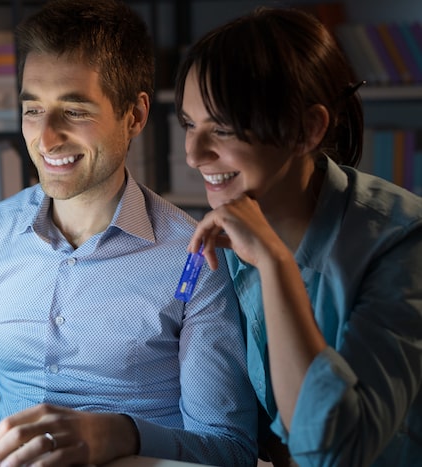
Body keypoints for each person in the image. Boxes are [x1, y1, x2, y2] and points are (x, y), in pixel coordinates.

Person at [0, 1, 257, 466]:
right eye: (32, 109)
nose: (45, 138)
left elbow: (230, 451)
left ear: (135, 116)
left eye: (74, 110)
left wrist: (122, 436)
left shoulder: (193, 260)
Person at [175, 6, 422, 467]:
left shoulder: (401, 243)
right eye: (190, 125)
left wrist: (274, 263)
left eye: (222, 128)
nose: (194, 155)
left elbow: (332, 453)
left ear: (308, 129)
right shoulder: (224, 238)